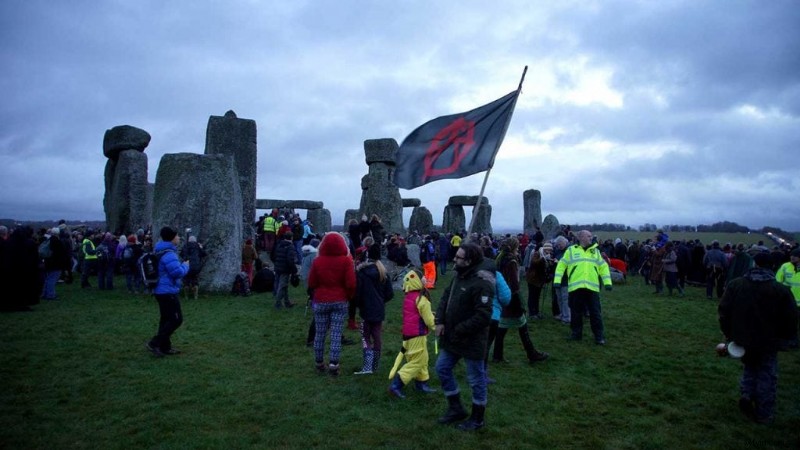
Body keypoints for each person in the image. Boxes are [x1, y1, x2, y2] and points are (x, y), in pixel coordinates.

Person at [718, 252, 797, 424]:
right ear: (773, 267)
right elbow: (790, 319)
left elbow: (724, 312)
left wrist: (729, 333)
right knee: (767, 374)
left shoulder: (736, 285)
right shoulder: (781, 290)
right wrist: (785, 339)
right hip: (769, 341)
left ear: (754, 263)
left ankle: (747, 394)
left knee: (750, 368)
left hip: (742, 338)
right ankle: (764, 413)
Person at [434, 242, 493, 431]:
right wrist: (440, 321)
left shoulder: (482, 283)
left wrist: (460, 329)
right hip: (452, 336)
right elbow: (445, 298)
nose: (454, 259)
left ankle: (477, 418)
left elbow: (483, 316)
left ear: (469, 261)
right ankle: (456, 407)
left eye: (458, 257)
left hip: (472, 340)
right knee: (442, 368)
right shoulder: (458, 277)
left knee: (476, 379)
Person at [492, 237, 549, 364]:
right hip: (511, 298)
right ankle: (531, 354)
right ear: (514, 247)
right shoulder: (511, 261)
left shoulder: (500, 258)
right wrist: (519, 300)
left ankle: (497, 355)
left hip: (502, 295)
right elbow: (514, 283)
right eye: (517, 247)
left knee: (503, 327)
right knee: (521, 327)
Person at [308, 232, 357, 376]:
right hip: (340, 300)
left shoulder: (317, 261)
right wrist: (348, 296)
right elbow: (351, 283)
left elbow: (312, 283)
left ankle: (318, 362)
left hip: (321, 300)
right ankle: (334, 364)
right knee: (336, 333)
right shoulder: (346, 261)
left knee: (320, 333)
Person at [554, 230, 612, 345]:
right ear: (581, 237)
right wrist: (557, 280)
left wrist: (607, 282)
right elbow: (561, 265)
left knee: (595, 313)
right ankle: (576, 334)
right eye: (589, 236)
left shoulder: (595, 252)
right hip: (576, 287)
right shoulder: (571, 251)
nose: (591, 237)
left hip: (592, 288)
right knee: (576, 313)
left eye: (591, 236)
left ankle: (599, 337)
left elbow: (603, 267)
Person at [388, 269, 438, 397]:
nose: (425, 280)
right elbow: (428, 320)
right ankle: (396, 385)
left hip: (408, 335)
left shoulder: (409, 297)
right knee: (417, 361)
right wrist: (437, 325)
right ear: (418, 281)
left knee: (423, 358)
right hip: (417, 335)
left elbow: (415, 315)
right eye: (423, 278)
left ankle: (421, 384)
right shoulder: (422, 299)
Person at [145, 226, 190, 357]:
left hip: (160, 290)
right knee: (176, 319)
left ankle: (165, 347)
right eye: (177, 236)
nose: (179, 238)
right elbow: (177, 273)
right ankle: (154, 343)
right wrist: (186, 265)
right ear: (171, 238)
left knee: (165, 320)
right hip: (167, 291)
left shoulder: (159, 250)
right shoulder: (169, 254)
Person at [352, 248, 394, 375]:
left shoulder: (361, 273)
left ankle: (367, 366)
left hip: (365, 309)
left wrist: (358, 304)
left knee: (365, 336)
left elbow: (357, 294)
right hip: (379, 309)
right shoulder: (383, 273)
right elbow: (390, 294)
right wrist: (381, 301)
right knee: (376, 336)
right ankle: (374, 365)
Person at [525, 241, 554, 319]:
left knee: (537, 296)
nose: (550, 252)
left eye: (551, 250)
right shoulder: (537, 254)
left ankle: (536, 312)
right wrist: (543, 259)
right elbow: (534, 263)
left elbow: (547, 268)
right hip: (533, 279)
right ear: (545, 249)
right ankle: (532, 313)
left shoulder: (548, 256)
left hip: (540, 280)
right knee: (532, 296)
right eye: (549, 250)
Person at [273, 231, 298, 309]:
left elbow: (273, 255)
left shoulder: (279, 244)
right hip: (285, 269)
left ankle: (287, 302)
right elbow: (290, 260)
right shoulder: (290, 246)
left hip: (278, 267)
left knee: (284, 286)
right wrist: (294, 270)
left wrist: (277, 263)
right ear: (291, 238)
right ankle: (278, 303)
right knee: (283, 286)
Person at [41, 228, 66, 301]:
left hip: (47, 262)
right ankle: (50, 294)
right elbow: (60, 253)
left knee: (47, 278)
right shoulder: (57, 242)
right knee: (52, 279)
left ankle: (44, 293)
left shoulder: (48, 240)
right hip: (55, 263)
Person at [180, 235, 207, 300]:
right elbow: (204, 254)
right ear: (195, 240)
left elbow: (181, 254)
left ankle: (186, 296)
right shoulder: (197, 246)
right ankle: (195, 296)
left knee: (186, 280)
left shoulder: (185, 246)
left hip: (187, 265)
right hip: (196, 266)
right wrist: (201, 247)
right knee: (195, 279)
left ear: (189, 240)